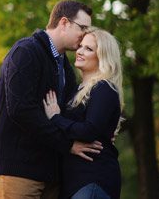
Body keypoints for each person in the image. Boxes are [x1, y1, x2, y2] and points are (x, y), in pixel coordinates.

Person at [0, 0, 103, 199]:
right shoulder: (26, 52)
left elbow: (69, 113)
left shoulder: (65, 66)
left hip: (50, 170)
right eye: (82, 28)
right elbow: (21, 109)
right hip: (18, 168)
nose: (85, 35)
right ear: (64, 23)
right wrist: (67, 145)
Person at [43, 28, 124, 199]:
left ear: (102, 56)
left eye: (89, 48)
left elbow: (89, 131)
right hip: (74, 183)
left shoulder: (104, 88)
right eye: (80, 46)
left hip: (92, 180)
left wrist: (56, 118)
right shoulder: (76, 91)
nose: (79, 51)